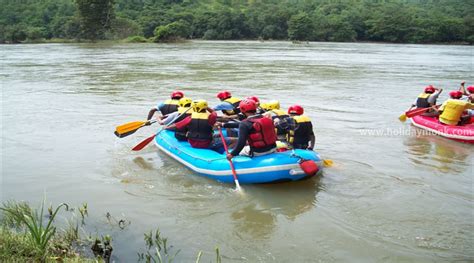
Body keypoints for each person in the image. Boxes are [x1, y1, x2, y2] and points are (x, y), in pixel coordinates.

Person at [165, 100, 235, 151]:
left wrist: (166, 127)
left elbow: (176, 126)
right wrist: (207, 107)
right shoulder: (211, 117)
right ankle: (228, 154)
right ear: (205, 107)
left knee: (219, 135)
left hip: (192, 142)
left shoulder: (190, 117)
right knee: (234, 140)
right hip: (207, 143)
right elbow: (213, 112)